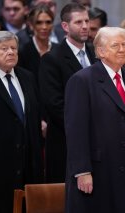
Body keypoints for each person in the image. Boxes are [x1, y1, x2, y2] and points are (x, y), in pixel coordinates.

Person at [65, 26, 125, 213]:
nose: (122, 49)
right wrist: (82, 170)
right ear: (100, 51)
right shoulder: (82, 80)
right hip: (100, 168)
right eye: (115, 45)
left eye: (124, 45)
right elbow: (76, 129)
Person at [0, 31, 43, 213]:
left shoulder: (27, 77)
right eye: (4, 49)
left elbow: (33, 120)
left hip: (27, 165)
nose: (11, 52)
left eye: (14, 48)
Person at [39, 2, 96, 183]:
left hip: (99, 143)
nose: (85, 26)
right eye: (79, 22)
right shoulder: (52, 59)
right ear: (65, 26)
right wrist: (85, 128)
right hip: (66, 141)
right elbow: (55, 104)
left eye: (87, 21)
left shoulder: (97, 54)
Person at [18, 4, 56, 83]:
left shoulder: (59, 50)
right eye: (39, 22)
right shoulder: (23, 52)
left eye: (48, 22)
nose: (44, 27)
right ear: (31, 25)